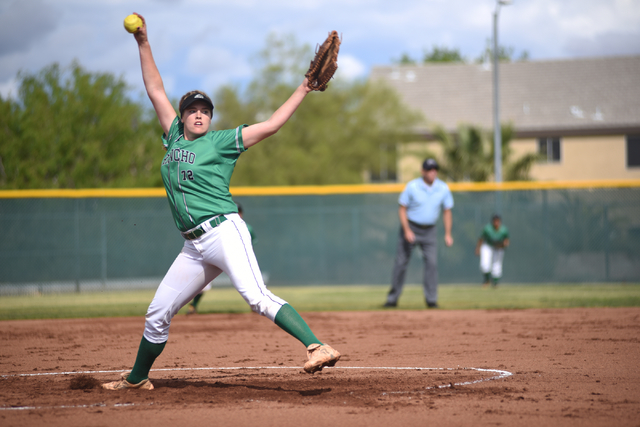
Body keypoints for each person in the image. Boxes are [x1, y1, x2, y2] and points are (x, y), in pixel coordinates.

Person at [102, 13, 340, 390]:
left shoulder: (222, 141)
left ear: (211, 118)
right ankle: (136, 379)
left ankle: (317, 345)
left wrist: (304, 88)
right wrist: (143, 42)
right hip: (193, 245)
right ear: (180, 119)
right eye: (192, 110)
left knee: (256, 296)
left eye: (205, 110)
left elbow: (273, 124)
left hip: (223, 231)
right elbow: (154, 88)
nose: (199, 114)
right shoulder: (175, 138)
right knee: (158, 312)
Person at [384, 158, 454, 309]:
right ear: (423, 171)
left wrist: (448, 233)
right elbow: (402, 209)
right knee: (401, 263)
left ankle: (431, 300)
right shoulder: (412, 186)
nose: (433, 172)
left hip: (430, 230)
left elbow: (447, 211)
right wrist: (407, 230)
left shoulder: (442, 188)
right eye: (429, 170)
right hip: (411, 227)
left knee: (432, 264)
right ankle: (392, 299)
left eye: (435, 169)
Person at [187, 203, 255, 314]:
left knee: (249, 281)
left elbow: (251, 246)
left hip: (237, 258)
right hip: (218, 256)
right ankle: (193, 306)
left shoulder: (247, 228)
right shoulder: (220, 227)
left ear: (241, 213)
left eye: (237, 212)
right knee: (202, 282)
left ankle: (255, 305)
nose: (235, 214)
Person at [475, 214, 510, 288]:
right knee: (484, 264)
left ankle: (495, 283)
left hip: (498, 247)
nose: (496, 223)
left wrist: (504, 244)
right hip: (488, 246)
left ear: (500, 222)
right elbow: (481, 238)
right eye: (495, 221)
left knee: (497, 265)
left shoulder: (504, 230)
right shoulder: (487, 229)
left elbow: (506, 241)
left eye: (497, 221)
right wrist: (478, 248)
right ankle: (487, 280)